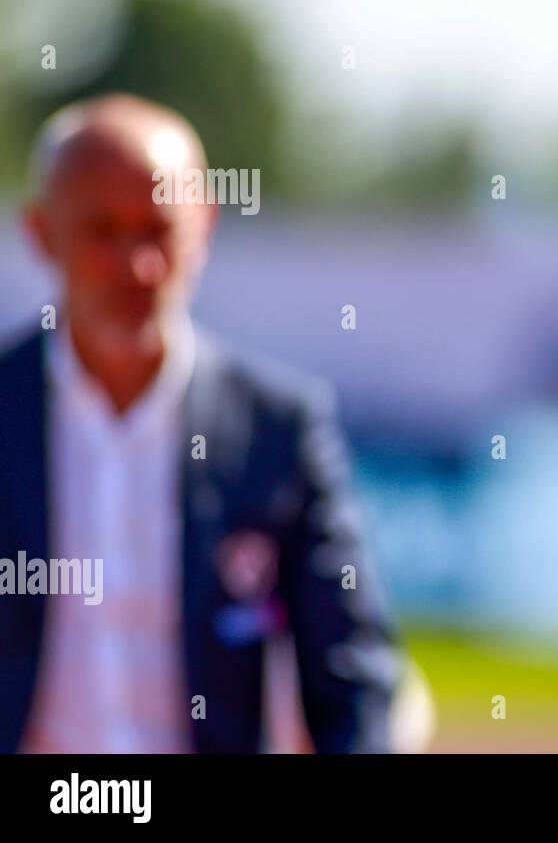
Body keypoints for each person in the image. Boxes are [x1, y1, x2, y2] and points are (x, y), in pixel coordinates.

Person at [0, 93, 398, 752]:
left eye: (157, 229)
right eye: (103, 230)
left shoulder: (279, 429)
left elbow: (354, 681)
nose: (138, 267)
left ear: (204, 225)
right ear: (42, 233)